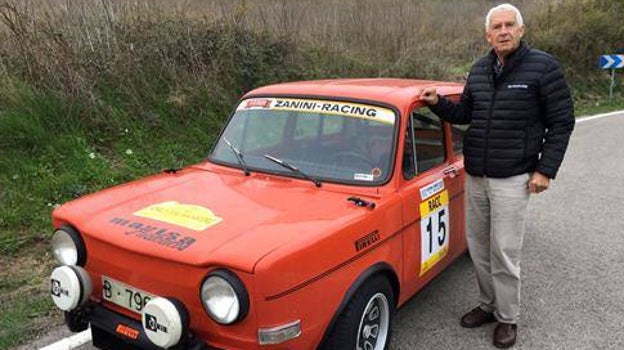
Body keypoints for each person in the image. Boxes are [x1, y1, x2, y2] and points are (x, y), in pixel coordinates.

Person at [420, 3, 574, 349]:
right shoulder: (479, 69)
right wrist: (437, 104)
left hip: (513, 177)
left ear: (521, 30)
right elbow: (465, 113)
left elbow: (562, 121)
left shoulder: (543, 67)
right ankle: (488, 306)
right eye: (497, 27)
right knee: (478, 247)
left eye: (509, 25)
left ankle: (508, 318)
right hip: (476, 176)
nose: (503, 31)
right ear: (488, 35)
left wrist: (545, 170)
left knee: (504, 251)